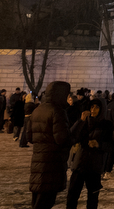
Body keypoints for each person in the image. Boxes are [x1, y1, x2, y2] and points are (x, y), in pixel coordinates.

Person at [28, 81, 73, 209]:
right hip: (52, 163)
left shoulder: (37, 110)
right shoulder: (57, 111)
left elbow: (29, 137)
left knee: (37, 199)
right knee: (46, 201)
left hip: (37, 161)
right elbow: (62, 139)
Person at [66, 98, 112, 209]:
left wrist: (99, 144)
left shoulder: (107, 125)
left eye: (97, 107)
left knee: (93, 197)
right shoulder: (84, 122)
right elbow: (72, 136)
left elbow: (111, 146)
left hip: (94, 166)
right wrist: (80, 121)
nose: (93, 110)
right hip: (80, 163)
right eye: (92, 107)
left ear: (102, 109)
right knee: (72, 195)